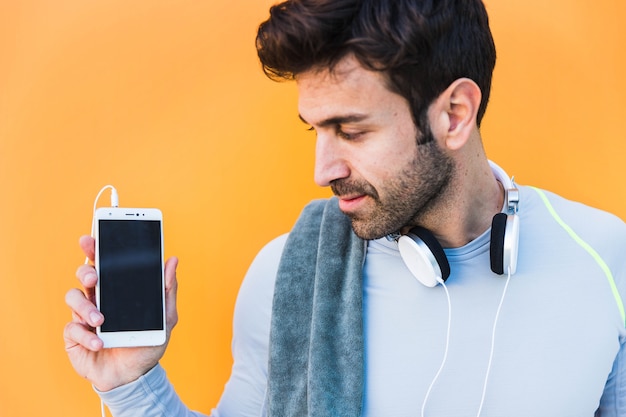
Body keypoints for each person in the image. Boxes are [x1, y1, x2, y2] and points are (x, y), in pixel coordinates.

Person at [64, 0, 626, 415]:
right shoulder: (289, 275)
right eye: (314, 129)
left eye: (350, 130)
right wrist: (130, 383)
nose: (321, 170)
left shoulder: (607, 260)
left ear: (454, 114)